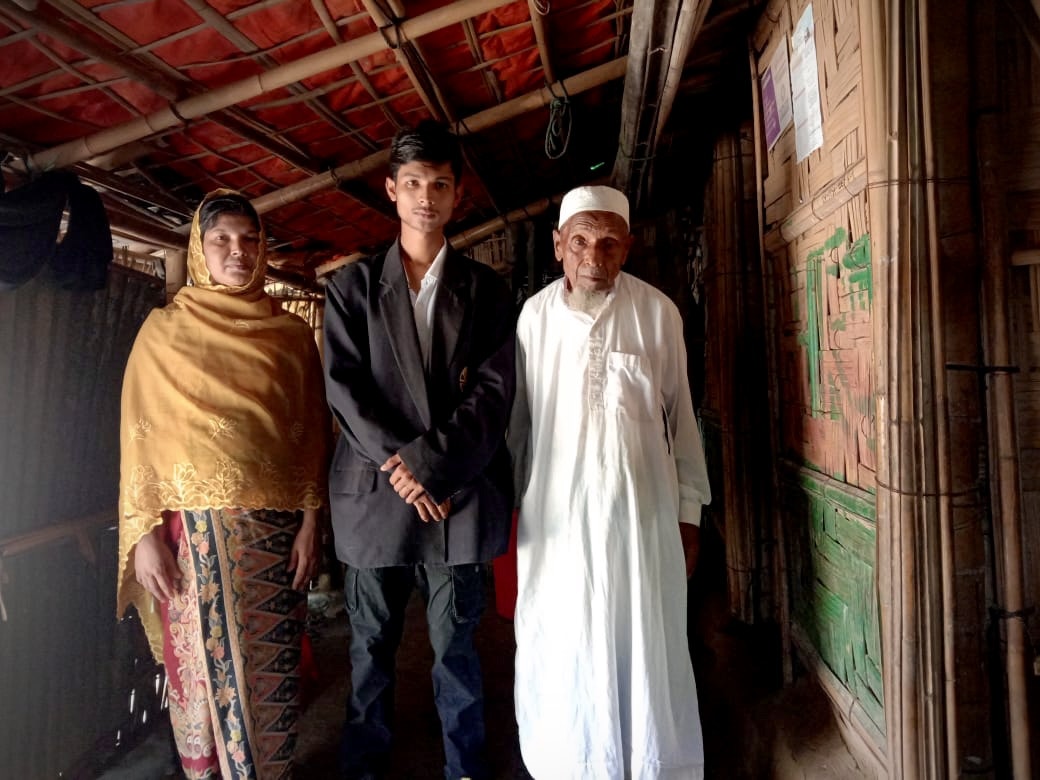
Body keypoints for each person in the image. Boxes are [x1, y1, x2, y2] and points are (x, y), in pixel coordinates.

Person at [322, 121, 515, 780]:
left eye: (439, 184)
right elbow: (344, 389)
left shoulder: (486, 291)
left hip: (455, 493)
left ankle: (465, 767)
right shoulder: (351, 288)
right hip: (377, 495)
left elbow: (493, 393)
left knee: (456, 649)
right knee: (371, 648)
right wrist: (406, 470)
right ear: (391, 191)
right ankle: (364, 767)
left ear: (458, 194)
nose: (426, 197)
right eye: (413, 184)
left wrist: (431, 468)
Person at [116, 189, 329, 780]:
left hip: (274, 541)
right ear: (199, 249)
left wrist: (312, 525)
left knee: (270, 673)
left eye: (249, 240)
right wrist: (145, 537)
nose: (238, 251)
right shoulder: (164, 333)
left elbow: (312, 434)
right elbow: (139, 441)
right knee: (202, 677)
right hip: (194, 542)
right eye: (222, 240)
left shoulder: (289, 336)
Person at [508, 185, 712, 779]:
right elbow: (519, 426)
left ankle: (648, 766)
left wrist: (690, 515)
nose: (593, 257)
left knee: (645, 643)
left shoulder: (658, 313)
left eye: (607, 243)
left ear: (628, 246)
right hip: (557, 525)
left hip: (641, 522)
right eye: (580, 242)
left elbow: (682, 422)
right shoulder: (534, 319)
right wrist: (511, 512)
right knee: (563, 644)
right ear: (558, 246)